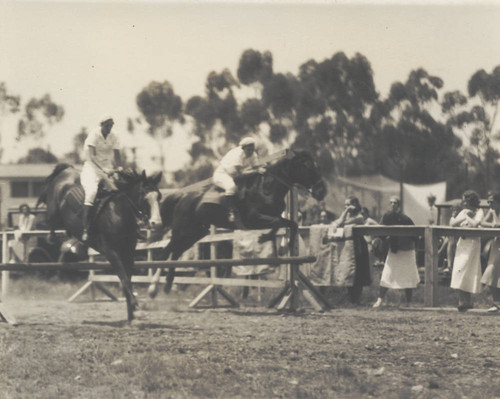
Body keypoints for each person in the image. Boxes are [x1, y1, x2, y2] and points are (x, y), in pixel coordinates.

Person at [80, 115, 123, 242]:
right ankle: (86, 229)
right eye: (107, 126)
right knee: (92, 192)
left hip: (108, 168)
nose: (109, 128)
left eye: (111, 125)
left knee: (119, 190)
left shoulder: (114, 135)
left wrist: (119, 167)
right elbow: (92, 157)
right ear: (101, 125)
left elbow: (117, 154)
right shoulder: (94, 134)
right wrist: (102, 170)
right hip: (92, 168)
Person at [372, 196, 420, 308]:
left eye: (395, 203)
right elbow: (380, 232)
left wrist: (415, 251)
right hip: (394, 251)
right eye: (391, 203)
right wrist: (386, 239)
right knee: (386, 275)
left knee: (408, 278)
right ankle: (379, 300)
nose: (393, 205)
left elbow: (415, 236)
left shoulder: (406, 219)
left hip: (407, 251)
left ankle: (409, 303)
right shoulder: (386, 217)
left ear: (399, 205)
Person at [323, 196, 371, 303]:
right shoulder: (345, 216)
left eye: (348, 204)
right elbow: (336, 223)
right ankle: (350, 297)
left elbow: (341, 223)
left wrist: (345, 213)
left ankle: (356, 298)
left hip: (358, 246)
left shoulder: (359, 217)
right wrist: (346, 212)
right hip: (347, 247)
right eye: (345, 205)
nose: (346, 207)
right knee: (348, 270)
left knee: (358, 272)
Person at [212, 137, 260, 227]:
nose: (251, 152)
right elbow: (240, 174)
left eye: (252, 150)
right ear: (243, 148)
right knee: (231, 187)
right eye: (249, 150)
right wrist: (257, 171)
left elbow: (256, 167)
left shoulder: (253, 154)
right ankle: (230, 212)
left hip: (236, 176)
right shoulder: (236, 154)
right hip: (223, 174)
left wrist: (259, 170)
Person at [450, 190, 484, 312]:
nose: (463, 202)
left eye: (465, 199)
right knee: (459, 270)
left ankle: (467, 301)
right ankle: (463, 301)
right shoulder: (464, 211)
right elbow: (452, 223)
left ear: (470, 200)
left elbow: (475, 224)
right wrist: (463, 216)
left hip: (472, 243)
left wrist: (468, 218)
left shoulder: (479, 212)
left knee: (467, 270)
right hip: (462, 243)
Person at [480, 193, 500, 312]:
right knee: (490, 272)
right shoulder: (492, 211)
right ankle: (496, 303)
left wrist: (496, 224)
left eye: (491, 201)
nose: (489, 204)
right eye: (488, 201)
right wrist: (493, 223)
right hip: (496, 244)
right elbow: (482, 222)